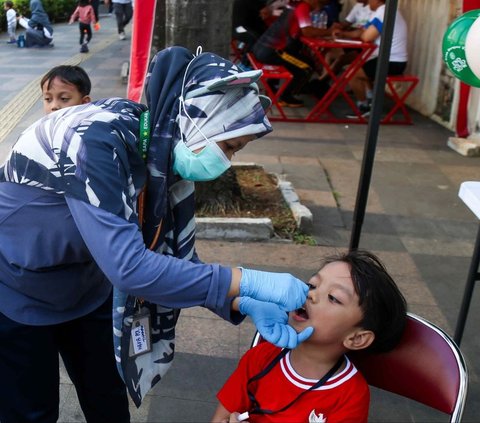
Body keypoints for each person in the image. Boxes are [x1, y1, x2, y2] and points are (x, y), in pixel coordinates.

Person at [0, 46, 314, 423]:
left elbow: (170, 256)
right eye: (229, 146)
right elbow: (130, 267)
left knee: (106, 395)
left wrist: (239, 300)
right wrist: (245, 280)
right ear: (196, 121)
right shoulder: (94, 140)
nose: (227, 160)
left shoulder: (159, 145)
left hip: (87, 282)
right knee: (31, 408)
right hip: (19, 289)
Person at [212, 249, 407, 423]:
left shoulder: (350, 396)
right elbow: (220, 417)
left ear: (357, 338)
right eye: (312, 285)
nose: (310, 295)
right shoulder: (260, 358)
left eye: (333, 298)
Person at [252, 0, 335, 107]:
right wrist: (330, 31)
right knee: (307, 67)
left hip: (263, 47)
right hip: (273, 50)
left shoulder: (293, 4)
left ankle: (278, 88)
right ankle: (286, 96)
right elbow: (307, 31)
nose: (319, 7)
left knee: (304, 60)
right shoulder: (303, 6)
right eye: (320, 3)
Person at [333, 0, 408, 118]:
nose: (368, 3)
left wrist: (363, 33)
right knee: (358, 64)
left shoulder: (383, 12)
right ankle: (371, 99)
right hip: (391, 60)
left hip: (392, 62)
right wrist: (344, 34)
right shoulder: (382, 11)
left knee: (352, 73)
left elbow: (367, 36)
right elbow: (362, 31)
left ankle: (363, 106)